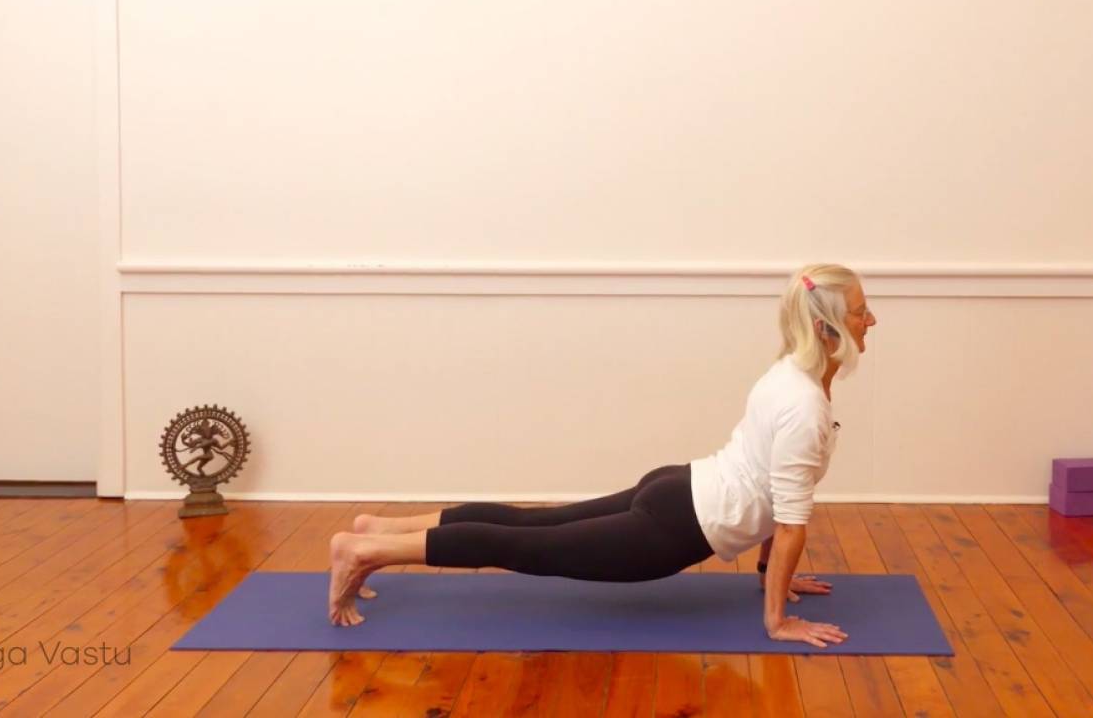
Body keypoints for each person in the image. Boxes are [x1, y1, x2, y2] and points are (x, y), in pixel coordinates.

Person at [326, 263, 876, 648]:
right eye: (860, 311)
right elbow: (788, 522)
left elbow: (768, 482)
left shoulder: (791, 373)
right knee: (524, 546)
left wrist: (766, 574)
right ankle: (367, 550)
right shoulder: (805, 404)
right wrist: (777, 620)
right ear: (827, 327)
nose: (870, 320)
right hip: (677, 527)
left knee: (528, 526)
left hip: (679, 488)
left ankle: (379, 528)